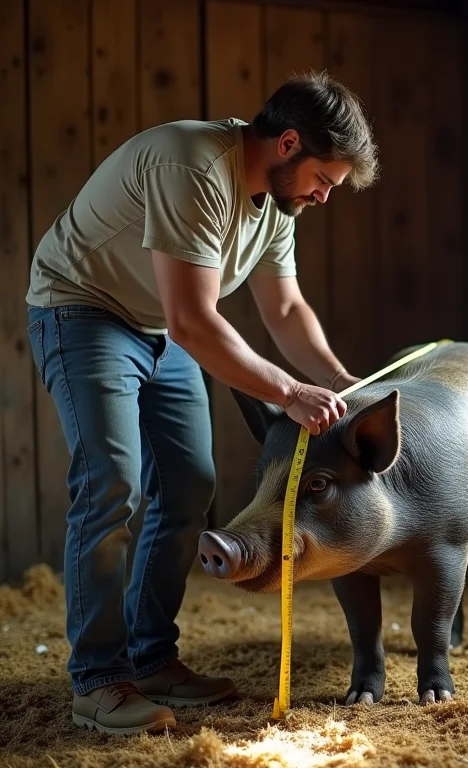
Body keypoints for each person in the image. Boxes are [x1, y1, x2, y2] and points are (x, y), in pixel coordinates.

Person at [24, 69, 379, 735]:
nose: (325, 196)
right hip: (84, 311)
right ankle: (97, 681)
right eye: (324, 179)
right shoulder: (193, 165)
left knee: (189, 484)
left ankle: (152, 658)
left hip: (158, 323)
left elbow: (285, 308)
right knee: (111, 484)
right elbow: (195, 321)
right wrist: (290, 392)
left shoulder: (279, 203)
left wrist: (341, 383)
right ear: (288, 144)